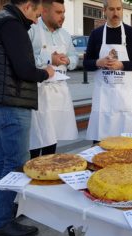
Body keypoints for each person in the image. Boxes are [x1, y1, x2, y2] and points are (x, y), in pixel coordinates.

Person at [0, 0, 54, 236]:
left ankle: (6, 211)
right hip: (12, 102)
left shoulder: (0, 19)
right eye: (37, 14)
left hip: (0, 100)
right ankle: (2, 222)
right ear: (28, 6)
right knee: (16, 163)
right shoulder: (12, 25)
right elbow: (25, 70)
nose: (36, 20)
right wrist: (46, 72)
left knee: (3, 160)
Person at [84, 0, 132, 141]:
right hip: (103, 97)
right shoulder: (96, 34)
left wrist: (122, 65)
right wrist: (98, 62)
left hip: (123, 98)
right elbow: (86, 63)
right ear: (104, 10)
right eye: (112, 9)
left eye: (119, 9)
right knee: (100, 143)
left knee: (125, 143)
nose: (116, 13)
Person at [28, 0, 78, 158]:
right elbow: (25, 59)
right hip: (38, 92)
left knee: (53, 134)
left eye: (63, 12)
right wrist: (49, 58)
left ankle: (48, 167)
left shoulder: (65, 35)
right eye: (58, 13)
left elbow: (75, 57)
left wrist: (68, 61)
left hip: (59, 93)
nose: (62, 16)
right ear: (44, 11)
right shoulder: (32, 30)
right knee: (36, 137)